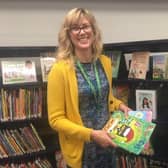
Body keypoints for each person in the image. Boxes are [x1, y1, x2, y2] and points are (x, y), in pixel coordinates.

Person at [47, 8, 131, 168]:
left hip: (108, 142)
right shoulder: (59, 70)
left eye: (85, 26)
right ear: (68, 34)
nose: (82, 32)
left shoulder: (105, 62)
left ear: (93, 30)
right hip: (83, 150)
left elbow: (104, 97)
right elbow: (56, 119)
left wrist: (120, 105)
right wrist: (91, 135)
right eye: (75, 28)